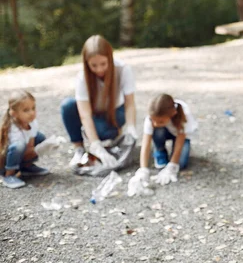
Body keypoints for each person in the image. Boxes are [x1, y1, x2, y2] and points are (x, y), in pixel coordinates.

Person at [60, 35, 137, 169]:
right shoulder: (82, 77)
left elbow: (130, 103)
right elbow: (84, 114)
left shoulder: (123, 69)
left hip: (115, 112)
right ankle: (79, 149)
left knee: (104, 132)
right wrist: (95, 144)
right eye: (93, 66)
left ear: (110, 58)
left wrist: (131, 127)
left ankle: (114, 136)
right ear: (87, 63)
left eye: (103, 64)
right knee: (68, 106)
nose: (99, 70)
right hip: (94, 114)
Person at [128, 93, 197, 194]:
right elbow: (146, 144)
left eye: (160, 121)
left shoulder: (183, 114)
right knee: (157, 129)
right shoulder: (152, 119)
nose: (155, 123)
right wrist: (143, 169)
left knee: (181, 164)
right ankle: (160, 151)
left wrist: (173, 164)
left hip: (181, 135)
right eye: (153, 120)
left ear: (172, 114)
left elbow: (180, 139)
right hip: (163, 132)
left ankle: (171, 161)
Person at [0, 90, 50, 189]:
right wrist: (34, 152)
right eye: (26, 110)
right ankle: (9, 175)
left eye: (33, 108)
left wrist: (43, 147)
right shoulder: (13, 129)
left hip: (21, 154)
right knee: (19, 145)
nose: (32, 113)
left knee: (40, 138)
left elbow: (30, 145)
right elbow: (23, 150)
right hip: (5, 161)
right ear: (14, 113)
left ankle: (26, 167)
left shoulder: (32, 123)